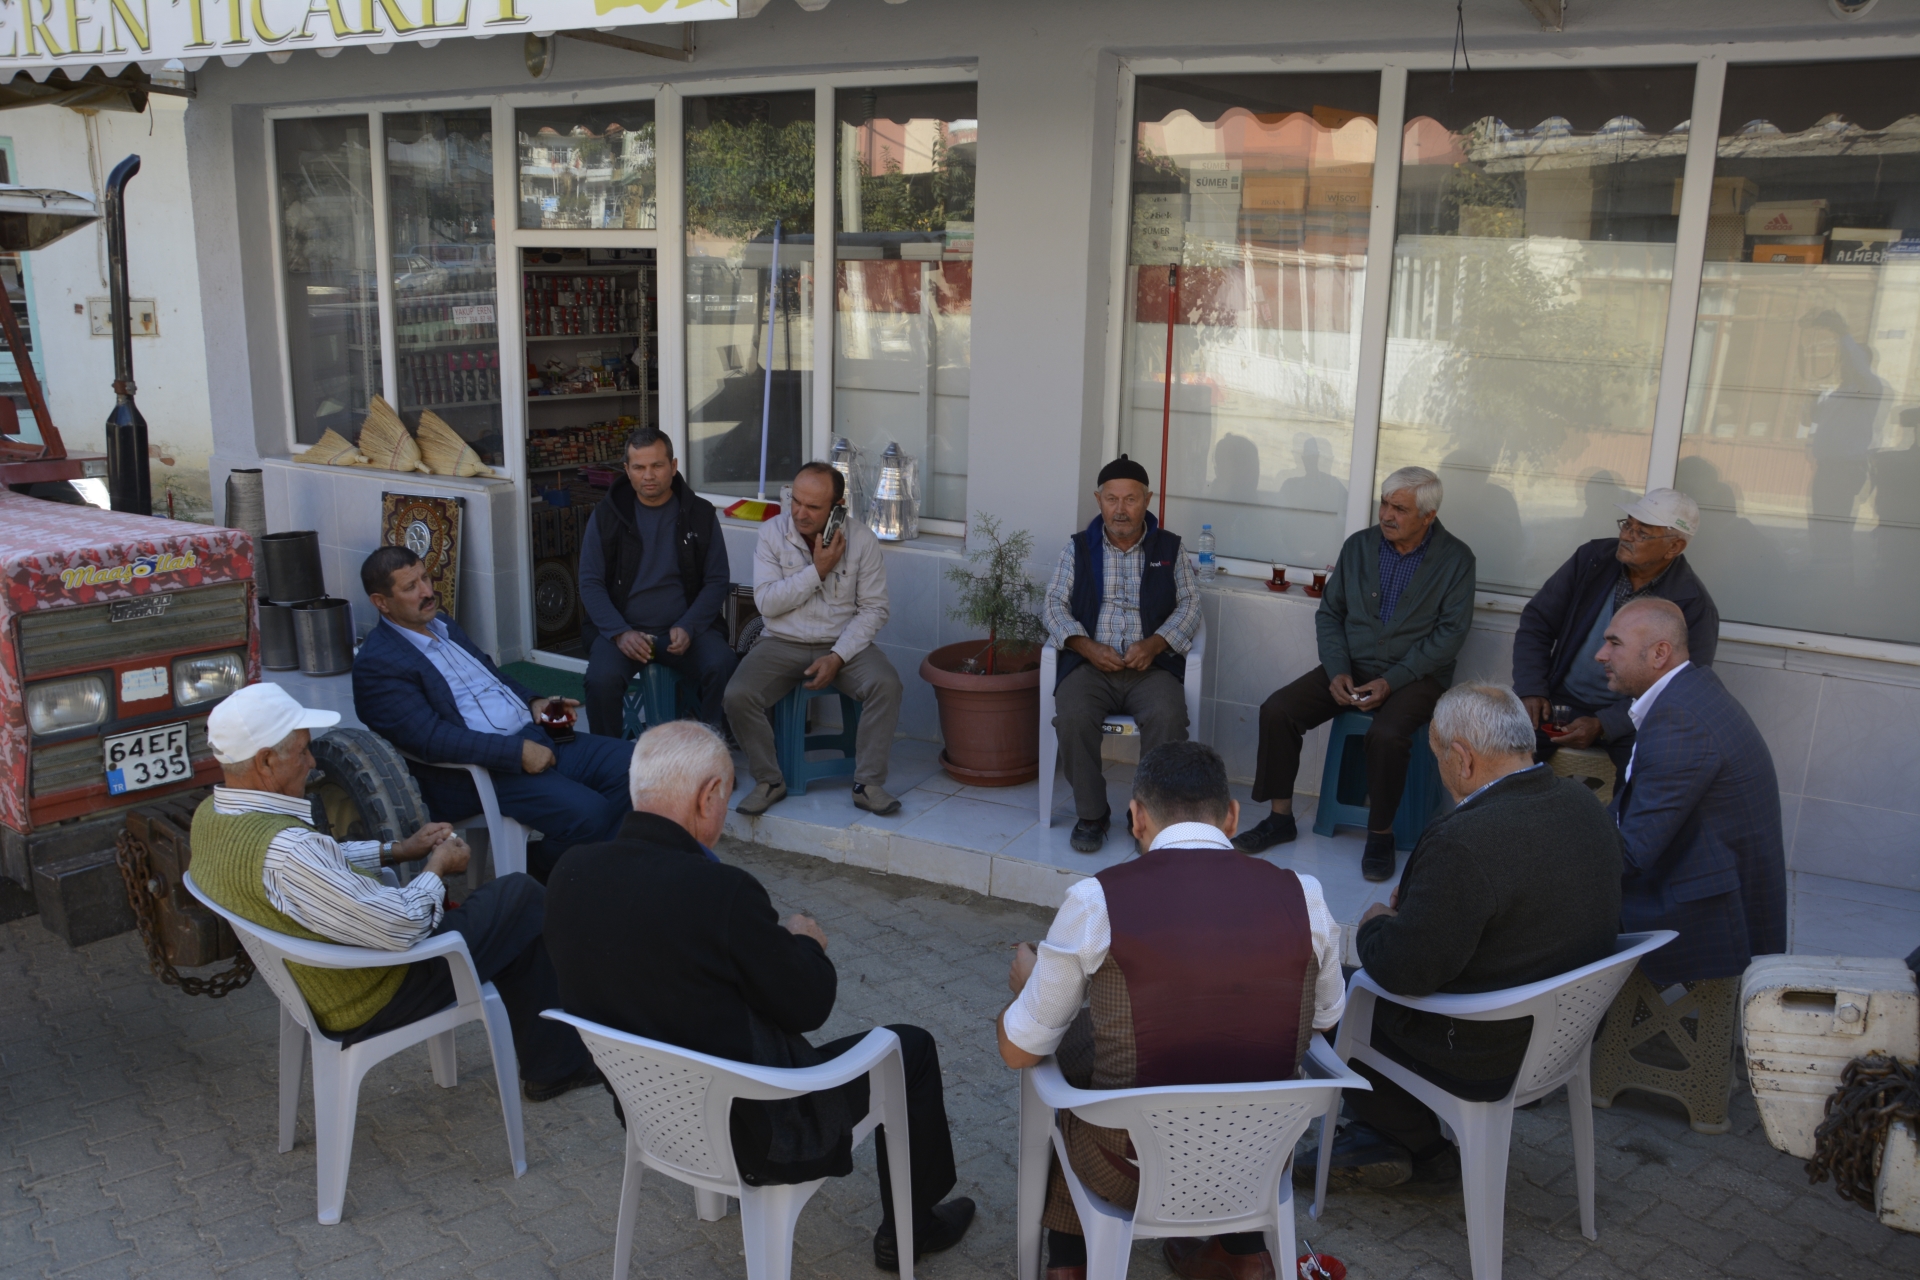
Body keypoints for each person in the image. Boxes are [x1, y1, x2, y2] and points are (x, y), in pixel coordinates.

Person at [544, 721, 975, 1272]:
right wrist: (805, 943)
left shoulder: (570, 872)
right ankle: (911, 1231)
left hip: (654, 1116)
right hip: (760, 1133)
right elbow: (808, 1006)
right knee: (909, 1047)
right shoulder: (720, 893)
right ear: (709, 796)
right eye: (725, 798)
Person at [998, 741, 1345, 1280]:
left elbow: (1018, 1051)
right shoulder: (1306, 896)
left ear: (1137, 818)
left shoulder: (1094, 900)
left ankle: (1069, 1264)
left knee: (1066, 1066)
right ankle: (1242, 1253)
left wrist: (1027, 988)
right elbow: (1325, 1020)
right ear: (1232, 817)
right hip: (1256, 1164)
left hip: (1126, 1171)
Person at [190, 684, 598, 1102]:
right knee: (521, 896)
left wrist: (398, 850)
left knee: (511, 919)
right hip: (371, 991)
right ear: (265, 761)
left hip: (316, 976)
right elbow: (402, 926)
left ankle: (554, 1059)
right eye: (303, 751)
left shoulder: (214, 815)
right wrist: (437, 868)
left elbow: (319, 864)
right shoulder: (287, 850)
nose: (312, 763)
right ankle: (558, 1065)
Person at [1310, 683, 1622, 1189]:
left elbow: (1403, 971)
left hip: (1484, 1048)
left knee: (1319, 992)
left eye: (1438, 757)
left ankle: (1422, 1147)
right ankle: (1381, 1135)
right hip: (1563, 1033)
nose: (1440, 769)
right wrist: (1427, 908)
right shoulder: (1585, 804)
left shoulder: (1464, 840)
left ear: (1463, 757)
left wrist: (1375, 924)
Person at [1235, 466, 1477, 883]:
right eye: (1384, 504)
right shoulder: (1360, 546)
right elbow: (1330, 614)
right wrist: (1337, 671)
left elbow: (1449, 635)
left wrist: (1393, 680)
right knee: (1278, 710)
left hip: (1417, 677)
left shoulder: (1456, 559)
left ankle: (1380, 835)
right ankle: (1280, 817)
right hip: (1352, 667)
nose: (1386, 515)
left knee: (1386, 734)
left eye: (1399, 509)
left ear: (1429, 516)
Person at [352, 546, 633, 882]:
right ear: (381, 602)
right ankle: (542, 872)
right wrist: (515, 752)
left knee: (639, 766)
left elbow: (492, 677)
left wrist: (535, 702)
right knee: (590, 814)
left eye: (425, 577)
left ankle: (567, 865)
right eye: (411, 587)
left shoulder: (442, 625)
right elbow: (430, 738)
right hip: (482, 770)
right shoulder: (377, 664)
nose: (427, 591)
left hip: (536, 736)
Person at [1597, 598, 1786, 989]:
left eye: (1614, 643)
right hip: (1712, 882)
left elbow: (1630, 854)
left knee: (1543, 908)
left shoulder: (1680, 720)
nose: (1601, 655)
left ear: (1659, 653)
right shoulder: (1691, 690)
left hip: (1709, 916)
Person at [723, 461, 904, 817]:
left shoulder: (861, 540)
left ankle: (868, 784)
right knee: (737, 695)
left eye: (813, 506)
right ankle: (769, 780)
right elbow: (767, 603)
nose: (800, 513)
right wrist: (817, 570)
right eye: (795, 501)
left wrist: (838, 656)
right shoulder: (772, 533)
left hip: (843, 644)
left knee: (887, 684)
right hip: (781, 641)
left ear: (838, 507)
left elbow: (874, 609)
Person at [1040, 454, 1201, 853]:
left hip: (1151, 668)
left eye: (1130, 499)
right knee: (1073, 717)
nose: (1120, 509)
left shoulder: (1170, 548)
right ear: (1099, 500)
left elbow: (1190, 606)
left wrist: (1156, 643)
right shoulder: (1078, 548)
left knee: (1168, 718)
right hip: (1091, 666)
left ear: (1147, 500)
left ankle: (1145, 814)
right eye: (1112, 499)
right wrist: (1085, 646)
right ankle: (1092, 814)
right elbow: (1053, 605)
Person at [1513, 488, 1719, 775]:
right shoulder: (1593, 559)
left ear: (1674, 547)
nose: (1627, 536)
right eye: (1627, 525)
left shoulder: (1692, 604)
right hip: (1561, 698)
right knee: (1506, 755)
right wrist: (1531, 688)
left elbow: (1681, 684)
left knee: (1650, 772)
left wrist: (1606, 723)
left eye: (1642, 533)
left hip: (1634, 715)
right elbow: (1537, 621)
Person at [577, 426, 738, 739]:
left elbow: (717, 579)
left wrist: (690, 625)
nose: (648, 475)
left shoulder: (700, 513)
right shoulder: (607, 515)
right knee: (600, 680)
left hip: (683, 629)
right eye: (639, 467)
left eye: (657, 466)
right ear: (627, 470)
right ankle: (608, 757)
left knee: (722, 665)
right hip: (624, 631)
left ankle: (710, 752)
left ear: (673, 466)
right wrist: (619, 632)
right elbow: (590, 581)